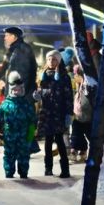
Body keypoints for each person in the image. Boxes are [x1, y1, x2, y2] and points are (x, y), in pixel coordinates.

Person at [0, 71, 37, 178]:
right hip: (10, 136)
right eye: (14, 89)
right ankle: (9, 172)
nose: (16, 91)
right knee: (9, 154)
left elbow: (32, 119)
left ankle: (23, 172)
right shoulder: (6, 103)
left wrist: (30, 133)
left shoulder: (26, 104)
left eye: (19, 89)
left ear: (22, 90)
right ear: (10, 90)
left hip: (23, 136)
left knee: (23, 155)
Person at [36, 49, 72, 178]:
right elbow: (43, 92)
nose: (51, 61)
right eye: (49, 59)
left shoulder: (64, 76)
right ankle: (48, 168)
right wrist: (38, 95)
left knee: (60, 141)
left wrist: (68, 113)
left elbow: (68, 96)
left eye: (54, 59)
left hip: (59, 113)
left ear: (59, 61)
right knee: (48, 141)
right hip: (47, 113)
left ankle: (65, 169)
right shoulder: (44, 75)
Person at [1, 26, 38, 97]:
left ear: (14, 37)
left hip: (19, 97)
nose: (5, 38)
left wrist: (16, 94)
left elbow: (22, 75)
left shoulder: (21, 50)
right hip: (18, 95)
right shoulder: (15, 50)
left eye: (7, 35)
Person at [69, 64, 91, 162]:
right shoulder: (79, 85)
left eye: (76, 75)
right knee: (76, 132)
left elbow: (86, 100)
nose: (74, 77)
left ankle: (83, 151)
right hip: (78, 114)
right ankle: (76, 150)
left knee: (88, 133)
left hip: (87, 114)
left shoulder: (86, 85)